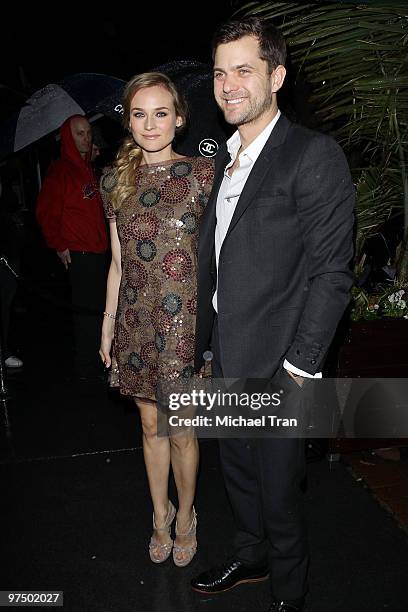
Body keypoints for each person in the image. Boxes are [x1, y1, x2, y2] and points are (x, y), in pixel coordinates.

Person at [191, 17, 355, 612]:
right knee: (237, 473)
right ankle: (251, 554)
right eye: (219, 72)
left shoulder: (311, 155)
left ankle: (291, 589)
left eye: (244, 70)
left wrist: (299, 367)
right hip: (226, 356)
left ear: (276, 76)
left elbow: (333, 273)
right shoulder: (223, 160)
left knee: (282, 490)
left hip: (280, 363)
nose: (228, 84)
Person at [99, 72, 214, 566]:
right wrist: (107, 324)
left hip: (186, 325)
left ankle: (187, 514)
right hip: (137, 325)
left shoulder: (205, 174)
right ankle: (158, 514)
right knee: (151, 426)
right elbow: (119, 263)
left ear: (180, 119)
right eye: (139, 114)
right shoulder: (114, 181)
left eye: (161, 112)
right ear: (129, 121)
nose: (150, 124)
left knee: (182, 428)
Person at [36, 115, 108, 380]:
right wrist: (59, 244)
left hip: (98, 251)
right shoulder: (61, 170)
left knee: (99, 310)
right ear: (68, 136)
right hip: (79, 253)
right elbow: (46, 212)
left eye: (88, 133)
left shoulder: (87, 169)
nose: (86, 138)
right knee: (87, 315)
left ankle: (99, 362)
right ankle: (86, 369)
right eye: (79, 133)